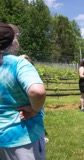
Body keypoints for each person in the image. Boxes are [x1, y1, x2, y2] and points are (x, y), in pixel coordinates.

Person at [0, 23, 46, 159]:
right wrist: (35, 109)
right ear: (12, 41)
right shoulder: (17, 64)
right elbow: (37, 92)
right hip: (22, 136)